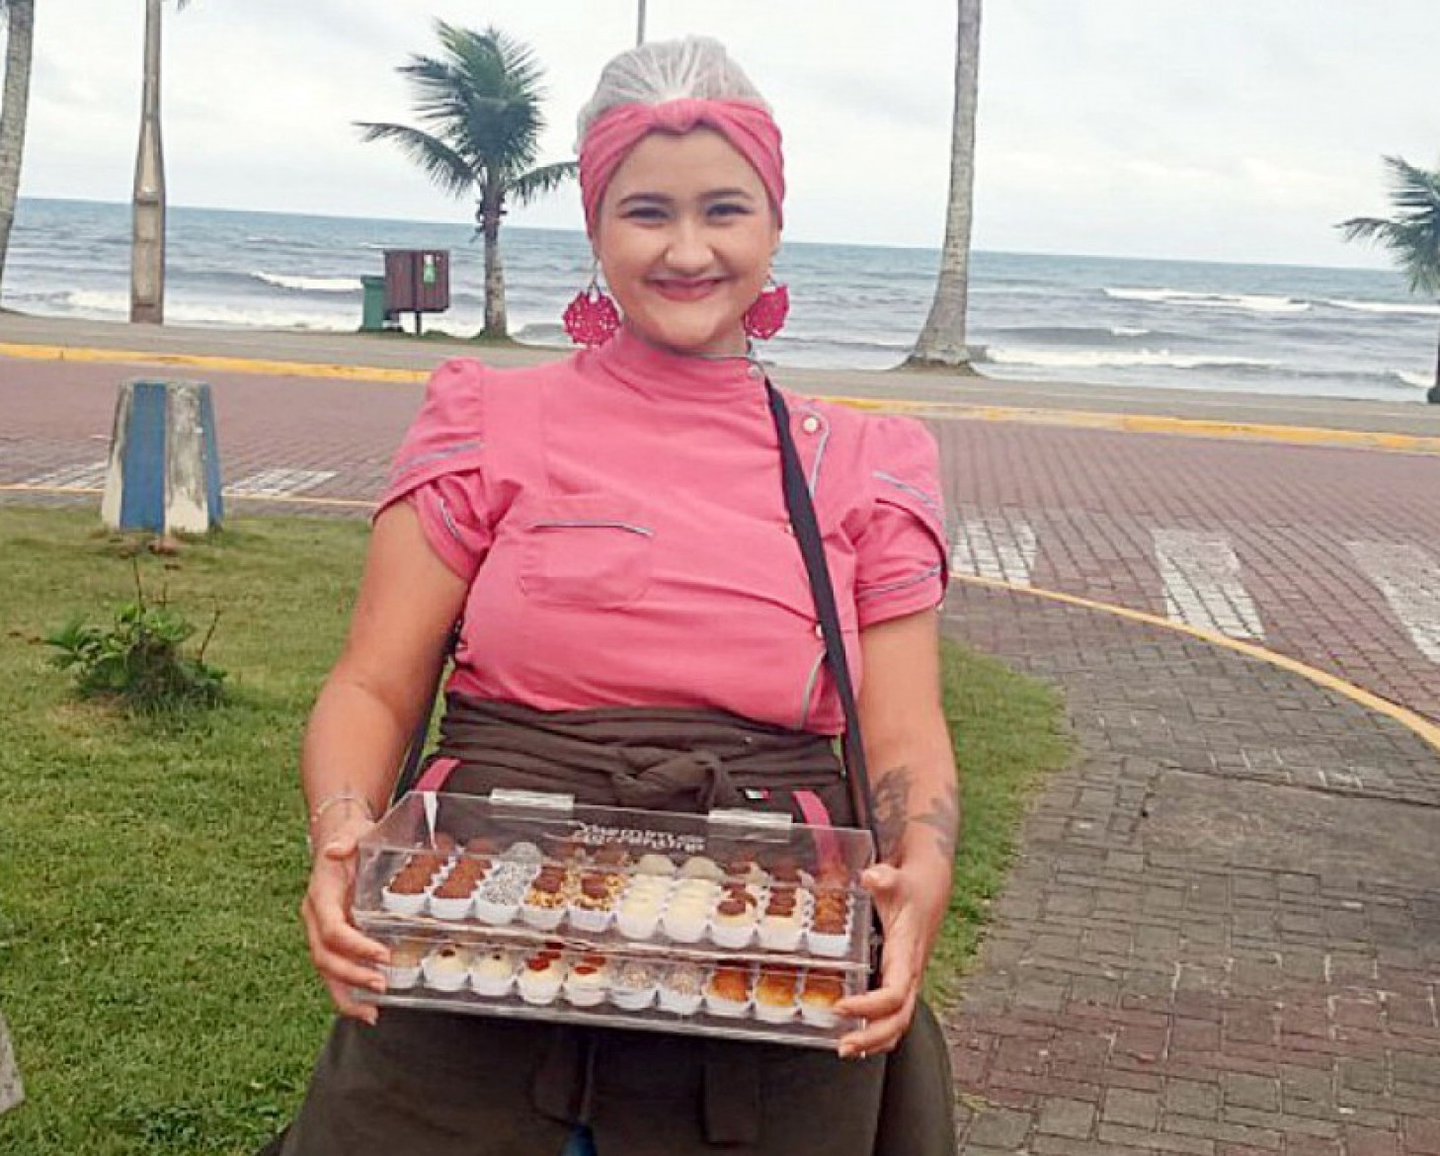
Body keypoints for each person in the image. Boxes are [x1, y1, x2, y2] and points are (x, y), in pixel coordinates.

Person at [280, 36, 958, 1156]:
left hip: (768, 962)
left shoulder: (862, 461)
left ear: (774, 226)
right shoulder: (485, 420)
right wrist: (345, 836)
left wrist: (922, 865)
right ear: (596, 229)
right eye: (647, 212)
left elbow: (907, 733)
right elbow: (371, 682)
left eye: (725, 210)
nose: (688, 249)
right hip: (477, 934)